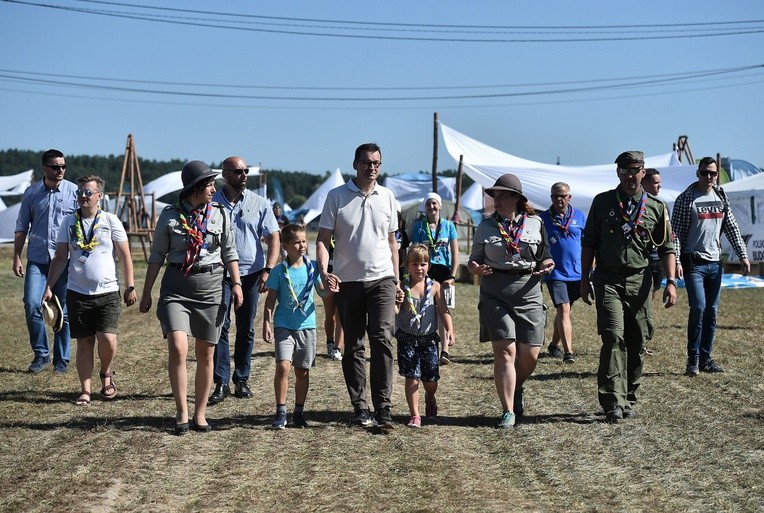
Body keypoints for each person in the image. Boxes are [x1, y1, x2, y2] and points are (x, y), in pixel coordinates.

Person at [139, 161, 243, 435]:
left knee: (206, 353)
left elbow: (229, 252)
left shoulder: (219, 213)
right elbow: (156, 257)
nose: (214, 188)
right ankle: (181, 412)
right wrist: (147, 291)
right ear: (196, 188)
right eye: (209, 184)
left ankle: (200, 413)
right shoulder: (170, 216)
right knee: (178, 345)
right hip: (177, 287)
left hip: (210, 287)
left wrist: (237, 284)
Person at [581, 151, 677, 424]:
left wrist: (671, 282)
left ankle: (629, 395)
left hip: (640, 280)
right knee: (613, 337)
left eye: (635, 170)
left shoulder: (656, 208)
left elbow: (668, 248)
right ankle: (613, 401)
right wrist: (584, 279)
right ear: (618, 174)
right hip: (608, 279)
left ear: (643, 173)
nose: (630, 176)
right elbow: (588, 243)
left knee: (637, 341)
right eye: (624, 171)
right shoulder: (603, 203)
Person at [316, 142, 401, 430]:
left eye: (376, 162)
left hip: (382, 279)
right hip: (347, 281)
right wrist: (324, 271)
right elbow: (322, 239)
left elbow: (392, 243)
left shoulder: (388, 196)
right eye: (366, 162)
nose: (372, 167)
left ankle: (384, 408)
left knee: (382, 338)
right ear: (355, 164)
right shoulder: (336, 196)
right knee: (353, 345)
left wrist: (397, 279)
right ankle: (360, 406)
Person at [468, 173, 555, 428]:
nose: (497, 199)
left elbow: (545, 255)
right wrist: (476, 268)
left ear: (516, 198)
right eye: (495, 195)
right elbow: (474, 260)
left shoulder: (535, 223)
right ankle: (508, 411)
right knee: (506, 351)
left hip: (529, 290)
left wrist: (548, 265)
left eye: (503, 195)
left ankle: (515, 386)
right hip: (495, 290)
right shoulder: (485, 226)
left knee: (531, 353)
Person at [42, 175, 137, 405]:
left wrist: (130, 285)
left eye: (88, 192)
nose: (83, 196)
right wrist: (48, 286)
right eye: (80, 192)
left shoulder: (111, 220)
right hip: (78, 293)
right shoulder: (68, 222)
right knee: (84, 343)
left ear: (99, 196)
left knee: (108, 339)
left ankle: (106, 373)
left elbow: (125, 256)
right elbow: (61, 257)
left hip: (107, 292)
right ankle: (85, 390)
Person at [209, 156, 280, 404]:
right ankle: (221, 382)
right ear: (225, 174)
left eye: (246, 171)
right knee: (220, 326)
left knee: (246, 328)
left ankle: (242, 379)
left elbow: (274, 237)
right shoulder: (211, 203)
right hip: (219, 273)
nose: (244, 175)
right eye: (239, 171)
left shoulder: (259, 203)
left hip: (251, 273)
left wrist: (268, 269)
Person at [671, 156, 750, 376]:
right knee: (699, 308)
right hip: (693, 262)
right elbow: (676, 233)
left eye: (712, 173)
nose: (709, 177)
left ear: (717, 175)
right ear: (697, 173)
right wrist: (677, 260)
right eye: (705, 172)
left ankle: (706, 358)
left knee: (712, 312)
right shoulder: (686, 199)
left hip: (715, 263)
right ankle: (693, 360)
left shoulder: (720, 196)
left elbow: (731, 227)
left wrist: (743, 254)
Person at [14, 149, 79, 374]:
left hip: (65, 262)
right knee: (32, 304)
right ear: (44, 168)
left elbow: (83, 226)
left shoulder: (74, 192)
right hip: (38, 261)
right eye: (55, 167)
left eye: (63, 166)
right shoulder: (31, 193)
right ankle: (41, 354)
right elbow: (22, 226)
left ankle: (62, 359)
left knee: (64, 310)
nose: (60, 170)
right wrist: (16, 256)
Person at [262, 224, 328, 429]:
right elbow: (271, 300)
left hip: (307, 326)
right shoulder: (278, 271)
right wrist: (266, 322)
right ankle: (280, 411)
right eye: (297, 242)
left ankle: (298, 412)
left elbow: (322, 293)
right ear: (285, 246)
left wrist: (333, 290)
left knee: (302, 371)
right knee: (283, 366)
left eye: (303, 241)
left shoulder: (313, 267)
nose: (302, 246)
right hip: (284, 326)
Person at [395, 244, 454, 428]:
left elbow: (443, 310)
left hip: (428, 340)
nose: (419, 268)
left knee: (430, 380)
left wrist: (449, 329)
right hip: (407, 338)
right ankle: (415, 415)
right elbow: (395, 311)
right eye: (415, 264)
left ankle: (430, 397)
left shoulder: (434, 286)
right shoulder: (402, 287)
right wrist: (396, 304)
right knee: (412, 377)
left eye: (423, 264)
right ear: (407, 265)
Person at [539, 182, 587, 364]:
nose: (559, 199)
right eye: (555, 196)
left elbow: (587, 244)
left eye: (562, 195)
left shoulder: (580, 217)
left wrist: (590, 267)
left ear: (569, 197)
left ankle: (553, 344)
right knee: (563, 308)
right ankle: (569, 353)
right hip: (555, 272)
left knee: (565, 311)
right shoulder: (542, 218)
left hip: (577, 273)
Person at [410, 192, 459, 364]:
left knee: (444, 309)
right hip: (426, 271)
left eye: (434, 204)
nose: (432, 207)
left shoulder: (449, 226)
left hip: (444, 272)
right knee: (427, 309)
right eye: (429, 204)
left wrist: (452, 275)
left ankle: (445, 350)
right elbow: (415, 251)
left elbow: (455, 252)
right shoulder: (419, 227)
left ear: (440, 206)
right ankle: (426, 344)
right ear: (425, 207)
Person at [640, 168, 681, 356]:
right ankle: (640, 341)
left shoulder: (661, 205)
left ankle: (641, 340)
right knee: (644, 300)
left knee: (650, 298)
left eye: (659, 182)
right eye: (656, 182)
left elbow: (669, 237)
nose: (659, 186)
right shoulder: (635, 205)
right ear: (645, 183)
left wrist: (676, 261)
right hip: (643, 261)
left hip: (659, 260)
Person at [321, 234, 344, 362]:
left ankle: (337, 348)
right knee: (330, 316)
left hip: (344, 277)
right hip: (328, 278)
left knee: (341, 315)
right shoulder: (326, 231)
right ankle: (330, 342)